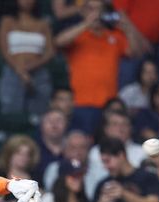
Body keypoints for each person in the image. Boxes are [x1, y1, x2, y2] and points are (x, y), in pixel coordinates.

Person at [55, 0, 144, 135]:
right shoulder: (78, 35)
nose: (96, 14)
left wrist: (128, 28)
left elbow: (135, 52)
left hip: (108, 105)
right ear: (84, 11)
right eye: (91, 9)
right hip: (80, 103)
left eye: (99, 10)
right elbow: (59, 41)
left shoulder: (114, 35)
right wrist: (86, 23)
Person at [0, 0, 54, 117]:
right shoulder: (7, 21)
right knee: (11, 115)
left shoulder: (43, 23)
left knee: (39, 115)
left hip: (38, 73)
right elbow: (3, 49)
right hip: (13, 72)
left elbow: (50, 52)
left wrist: (31, 67)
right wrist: (20, 70)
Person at [85, 110, 146, 197]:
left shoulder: (142, 152)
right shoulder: (95, 152)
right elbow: (97, 180)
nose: (120, 129)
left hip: (137, 198)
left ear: (131, 128)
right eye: (115, 124)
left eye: (124, 124)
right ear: (106, 129)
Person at [35, 109, 68, 185]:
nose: (54, 125)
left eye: (59, 121)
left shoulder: (74, 147)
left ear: (66, 124)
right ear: (42, 125)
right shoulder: (33, 149)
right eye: (49, 121)